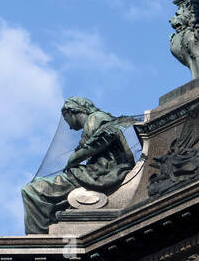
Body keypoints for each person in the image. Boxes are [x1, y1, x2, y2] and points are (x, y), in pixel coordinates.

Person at [21, 97, 135, 234]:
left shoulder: (96, 118)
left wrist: (74, 159)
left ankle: (40, 237)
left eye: (66, 118)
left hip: (100, 174)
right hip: (96, 173)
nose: (68, 126)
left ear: (72, 111)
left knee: (32, 190)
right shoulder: (94, 121)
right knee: (36, 188)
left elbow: (100, 141)